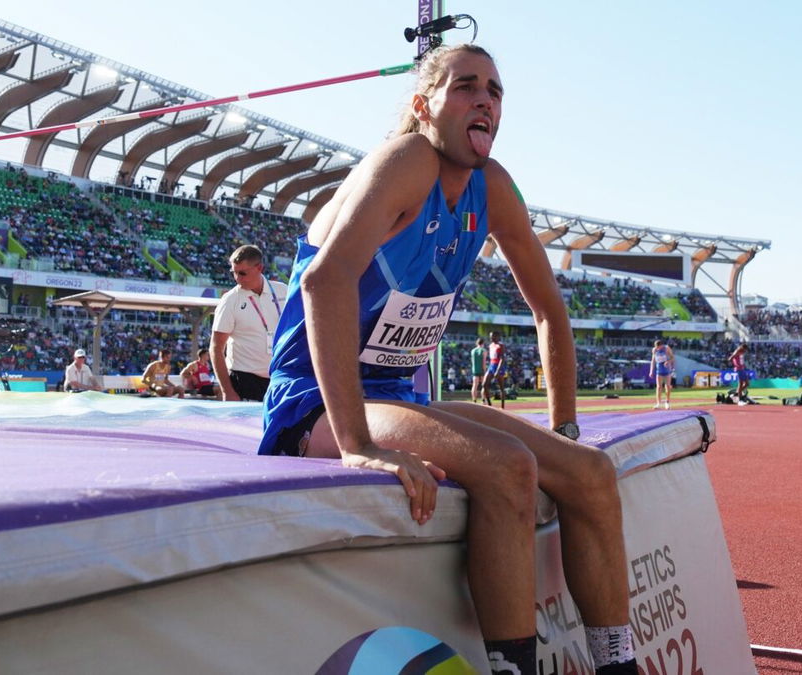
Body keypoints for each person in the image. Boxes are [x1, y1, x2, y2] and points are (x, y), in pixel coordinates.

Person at [257, 45, 635, 675]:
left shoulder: (492, 188)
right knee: (508, 466)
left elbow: (550, 310)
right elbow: (326, 283)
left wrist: (563, 428)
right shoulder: (407, 162)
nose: (485, 97)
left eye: (495, 89)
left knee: (589, 473)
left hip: (398, 397)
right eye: (465, 86)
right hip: (318, 399)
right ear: (423, 105)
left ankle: (616, 664)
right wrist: (355, 443)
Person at [211, 245, 280, 402]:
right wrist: (227, 390)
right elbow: (216, 348)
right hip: (244, 381)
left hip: (279, 379)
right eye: (234, 273)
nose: (237, 278)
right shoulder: (230, 300)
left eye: (242, 273)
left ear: (259, 268)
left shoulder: (283, 291)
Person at [482, 331, 506, 408]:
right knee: (484, 384)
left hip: (499, 366)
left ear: (497, 336)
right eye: (490, 336)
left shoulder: (501, 345)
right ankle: (490, 405)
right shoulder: (490, 345)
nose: (491, 338)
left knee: (501, 387)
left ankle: (502, 407)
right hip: (492, 365)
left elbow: (502, 359)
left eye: (493, 336)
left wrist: (498, 370)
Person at [648, 339, 675, 410]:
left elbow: (672, 357)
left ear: (661, 345)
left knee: (668, 386)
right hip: (659, 370)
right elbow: (653, 361)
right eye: (656, 347)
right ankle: (658, 403)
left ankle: (667, 402)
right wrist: (651, 371)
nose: (657, 348)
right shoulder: (654, 350)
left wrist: (668, 362)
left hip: (667, 370)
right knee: (659, 387)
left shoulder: (666, 348)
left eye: (658, 347)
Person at [469, 337, 486, 403]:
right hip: (481, 370)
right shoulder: (483, 350)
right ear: (483, 343)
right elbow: (483, 362)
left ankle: (474, 400)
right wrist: (484, 370)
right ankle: (483, 400)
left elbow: (472, 361)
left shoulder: (473, 351)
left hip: (475, 370)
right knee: (483, 385)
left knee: (474, 385)